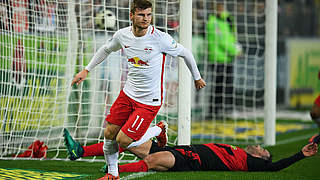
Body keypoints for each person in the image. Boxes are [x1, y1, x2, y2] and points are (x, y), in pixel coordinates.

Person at [70, 0, 206, 179]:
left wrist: (197, 78)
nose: (146, 19)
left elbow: (186, 53)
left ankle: (158, 130)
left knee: (123, 140)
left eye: (149, 15)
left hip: (149, 101)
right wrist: (86, 70)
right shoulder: (122, 35)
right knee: (109, 133)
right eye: (141, 15)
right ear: (131, 15)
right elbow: (105, 49)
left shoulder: (160, 38)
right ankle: (113, 174)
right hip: (128, 94)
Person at [118, 137, 318, 173]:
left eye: (262, 149)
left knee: (152, 161)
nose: (258, 146)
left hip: (191, 160)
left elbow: (275, 167)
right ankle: (84, 151)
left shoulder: (250, 163)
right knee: (127, 142)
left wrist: (300, 154)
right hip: (183, 148)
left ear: (260, 158)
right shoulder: (238, 151)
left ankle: (115, 171)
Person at [206, 2, 241, 119]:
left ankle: (224, 110)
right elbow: (221, 40)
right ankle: (213, 112)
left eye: (222, 6)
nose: (220, 8)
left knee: (226, 86)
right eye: (218, 6)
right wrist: (235, 51)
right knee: (218, 87)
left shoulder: (228, 19)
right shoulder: (213, 22)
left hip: (227, 57)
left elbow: (232, 37)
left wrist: (235, 48)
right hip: (217, 58)